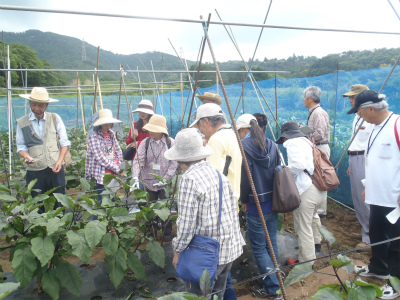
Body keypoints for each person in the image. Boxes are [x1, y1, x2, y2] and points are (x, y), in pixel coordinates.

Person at [165, 128, 244, 300]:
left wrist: (177, 251)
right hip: (227, 250)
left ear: (180, 158)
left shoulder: (189, 179)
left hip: (205, 256)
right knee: (218, 295)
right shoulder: (217, 174)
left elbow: (186, 226)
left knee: (198, 296)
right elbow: (231, 210)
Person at [349, 90, 400, 300]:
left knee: (397, 242)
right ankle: (379, 267)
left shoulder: (397, 125)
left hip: (395, 197)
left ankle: (396, 284)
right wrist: (367, 186)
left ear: (371, 108)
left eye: (360, 112)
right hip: (377, 195)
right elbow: (375, 160)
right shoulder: (375, 127)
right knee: (377, 234)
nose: (359, 116)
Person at [190, 103, 242, 300]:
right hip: (231, 203)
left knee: (213, 268)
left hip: (216, 210)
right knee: (224, 269)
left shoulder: (216, 140)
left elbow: (208, 179)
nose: (200, 130)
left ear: (206, 121)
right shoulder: (232, 135)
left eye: (199, 126)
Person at [236, 114, 281, 300]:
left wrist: (244, 199)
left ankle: (272, 287)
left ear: (244, 129)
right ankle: (278, 279)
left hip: (255, 205)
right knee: (271, 242)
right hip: (273, 202)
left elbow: (245, 178)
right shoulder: (271, 144)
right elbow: (278, 170)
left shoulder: (244, 146)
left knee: (259, 247)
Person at [276, 122, 324, 266]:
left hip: (306, 189)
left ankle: (306, 263)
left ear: (285, 136)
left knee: (303, 227)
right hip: (318, 187)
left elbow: (298, 165)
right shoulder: (307, 141)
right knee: (313, 218)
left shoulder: (292, 142)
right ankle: (317, 246)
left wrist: (283, 174)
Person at [16, 87, 71, 212]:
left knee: (59, 200)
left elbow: (64, 143)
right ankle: (39, 229)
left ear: (46, 105)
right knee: (37, 202)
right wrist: (26, 156)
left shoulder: (55, 118)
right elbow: (21, 147)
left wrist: (59, 161)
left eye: (40, 105)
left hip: (55, 168)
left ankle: (58, 228)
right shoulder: (22, 123)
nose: (36, 108)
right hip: (35, 169)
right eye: (33, 104)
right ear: (30, 104)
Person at [131, 114, 178, 240]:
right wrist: (135, 176)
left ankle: (167, 231)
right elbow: (138, 161)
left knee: (165, 208)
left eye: (153, 129)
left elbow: (174, 163)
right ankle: (152, 230)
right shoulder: (145, 143)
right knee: (149, 207)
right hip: (148, 182)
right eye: (149, 129)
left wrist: (166, 179)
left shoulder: (171, 143)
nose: (150, 131)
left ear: (161, 131)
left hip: (164, 183)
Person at [342, 84, 372, 251]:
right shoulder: (358, 115)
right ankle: (364, 230)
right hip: (355, 157)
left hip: (365, 158)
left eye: (353, 97)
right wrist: (350, 163)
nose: (350, 100)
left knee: (365, 198)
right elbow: (356, 141)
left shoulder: (370, 116)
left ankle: (369, 238)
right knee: (357, 198)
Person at [85, 109, 123, 219]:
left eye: (109, 123)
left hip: (114, 174)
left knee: (112, 200)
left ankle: (110, 226)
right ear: (100, 123)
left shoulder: (111, 134)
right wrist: (117, 169)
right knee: (101, 204)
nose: (108, 125)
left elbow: (118, 151)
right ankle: (98, 225)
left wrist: (120, 166)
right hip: (102, 175)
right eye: (105, 123)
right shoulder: (93, 137)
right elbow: (101, 158)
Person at [303, 86, 330, 218]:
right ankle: (319, 209)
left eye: (305, 97)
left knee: (321, 178)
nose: (304, 100)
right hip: (316, 147)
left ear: (311, 99)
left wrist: (304, 132)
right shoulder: (314, 112)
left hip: (319, 148)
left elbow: (319, 133)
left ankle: (320, 211)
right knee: (317, 177)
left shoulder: (318, 113)